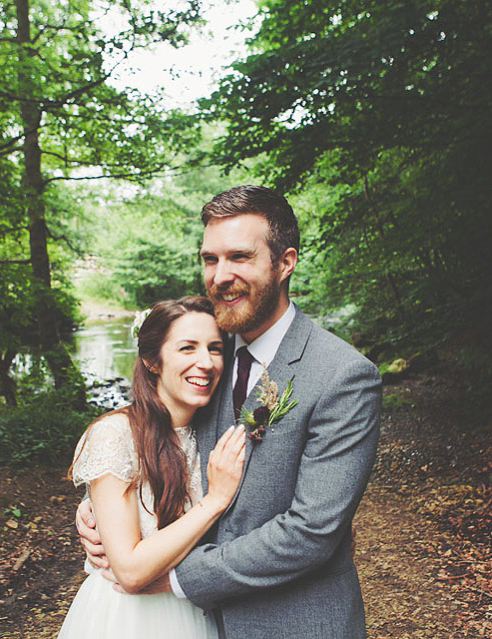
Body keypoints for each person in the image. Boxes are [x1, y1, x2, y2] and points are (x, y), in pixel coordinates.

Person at [78, 185, 382, 639]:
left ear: (285, 263)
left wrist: (175, 579)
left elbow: (311, 532)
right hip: (196, 626)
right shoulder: (205, 359)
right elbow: (160, 440)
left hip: (294, 623)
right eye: (209, 259)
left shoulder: (342, 376)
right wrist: (105, 509)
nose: (220, 275)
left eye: (239, 256)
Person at [57, 296, 247, 639]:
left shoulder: (216, 431)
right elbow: (128, 571)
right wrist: (214, 501)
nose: (205, 362)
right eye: (187, 348)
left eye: (215, 348)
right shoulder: (115, 435)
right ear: (151, 361)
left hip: (199, 606)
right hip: (130, 618)